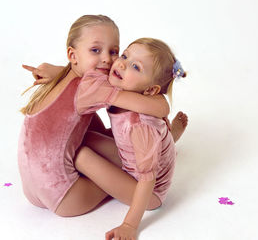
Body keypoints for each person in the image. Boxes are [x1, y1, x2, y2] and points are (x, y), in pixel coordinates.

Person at [18, 15, 171, 217]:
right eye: (96, 51)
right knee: (107, 156)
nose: (108, 59)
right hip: (67, 196)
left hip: (31, 190)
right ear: (73, 55)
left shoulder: (66, 80)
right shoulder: (95, 85)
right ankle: (161, 145)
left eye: (114, 51)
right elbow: (160, 108)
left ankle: (156, 146)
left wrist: (57, 70)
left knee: (86, 130)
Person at [72, 38, 187, 240]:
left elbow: (148, 179)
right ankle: (169, 139)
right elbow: (80, 74)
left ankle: (166, 143)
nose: (122, 63)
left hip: (150, 192)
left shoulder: (140, 126)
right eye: (125, 55)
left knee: (80, 156)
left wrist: (129, 225)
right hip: (131, 157)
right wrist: (55, 72)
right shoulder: (126, 90)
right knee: (85, 137)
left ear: (150, 91)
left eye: (135, 66)